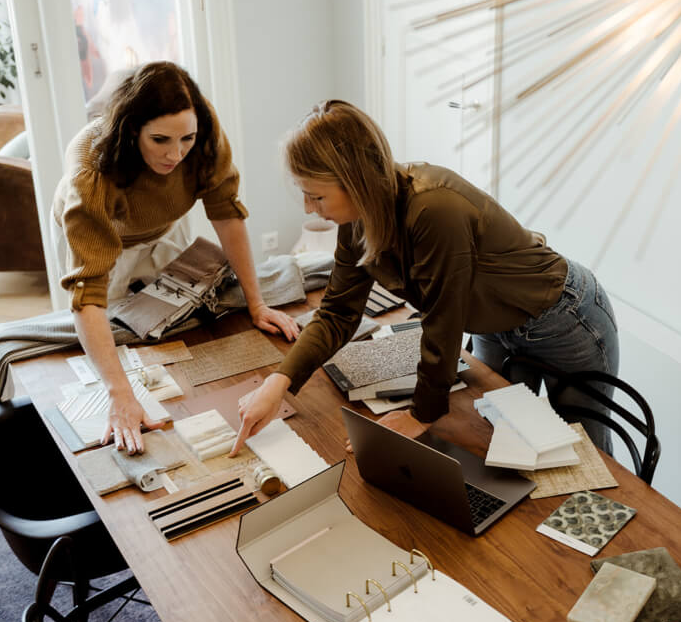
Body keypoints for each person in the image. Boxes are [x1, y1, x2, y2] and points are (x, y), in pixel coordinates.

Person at [229, 99, 618, 456]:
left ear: (358, 180)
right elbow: (336, 313)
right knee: (504, 444)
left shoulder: (433, 207)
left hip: (563, 316)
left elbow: (443, 318)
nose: (308, 208)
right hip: (493, 322)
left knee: (585, 454)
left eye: (316, 196)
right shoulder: (356, 221)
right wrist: (278, 383)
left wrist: (420, 415)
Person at [53, 61, 299, 454]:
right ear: (132, 129)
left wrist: (257, 304)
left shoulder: (201, 132)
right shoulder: (91, 169)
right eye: (161, 140)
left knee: (171, 325)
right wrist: (119, 393)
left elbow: (225, 214)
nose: (176, 154)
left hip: (165, 225)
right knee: (117, 334)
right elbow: (88, 293)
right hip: (106, 235)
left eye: (186, 139)